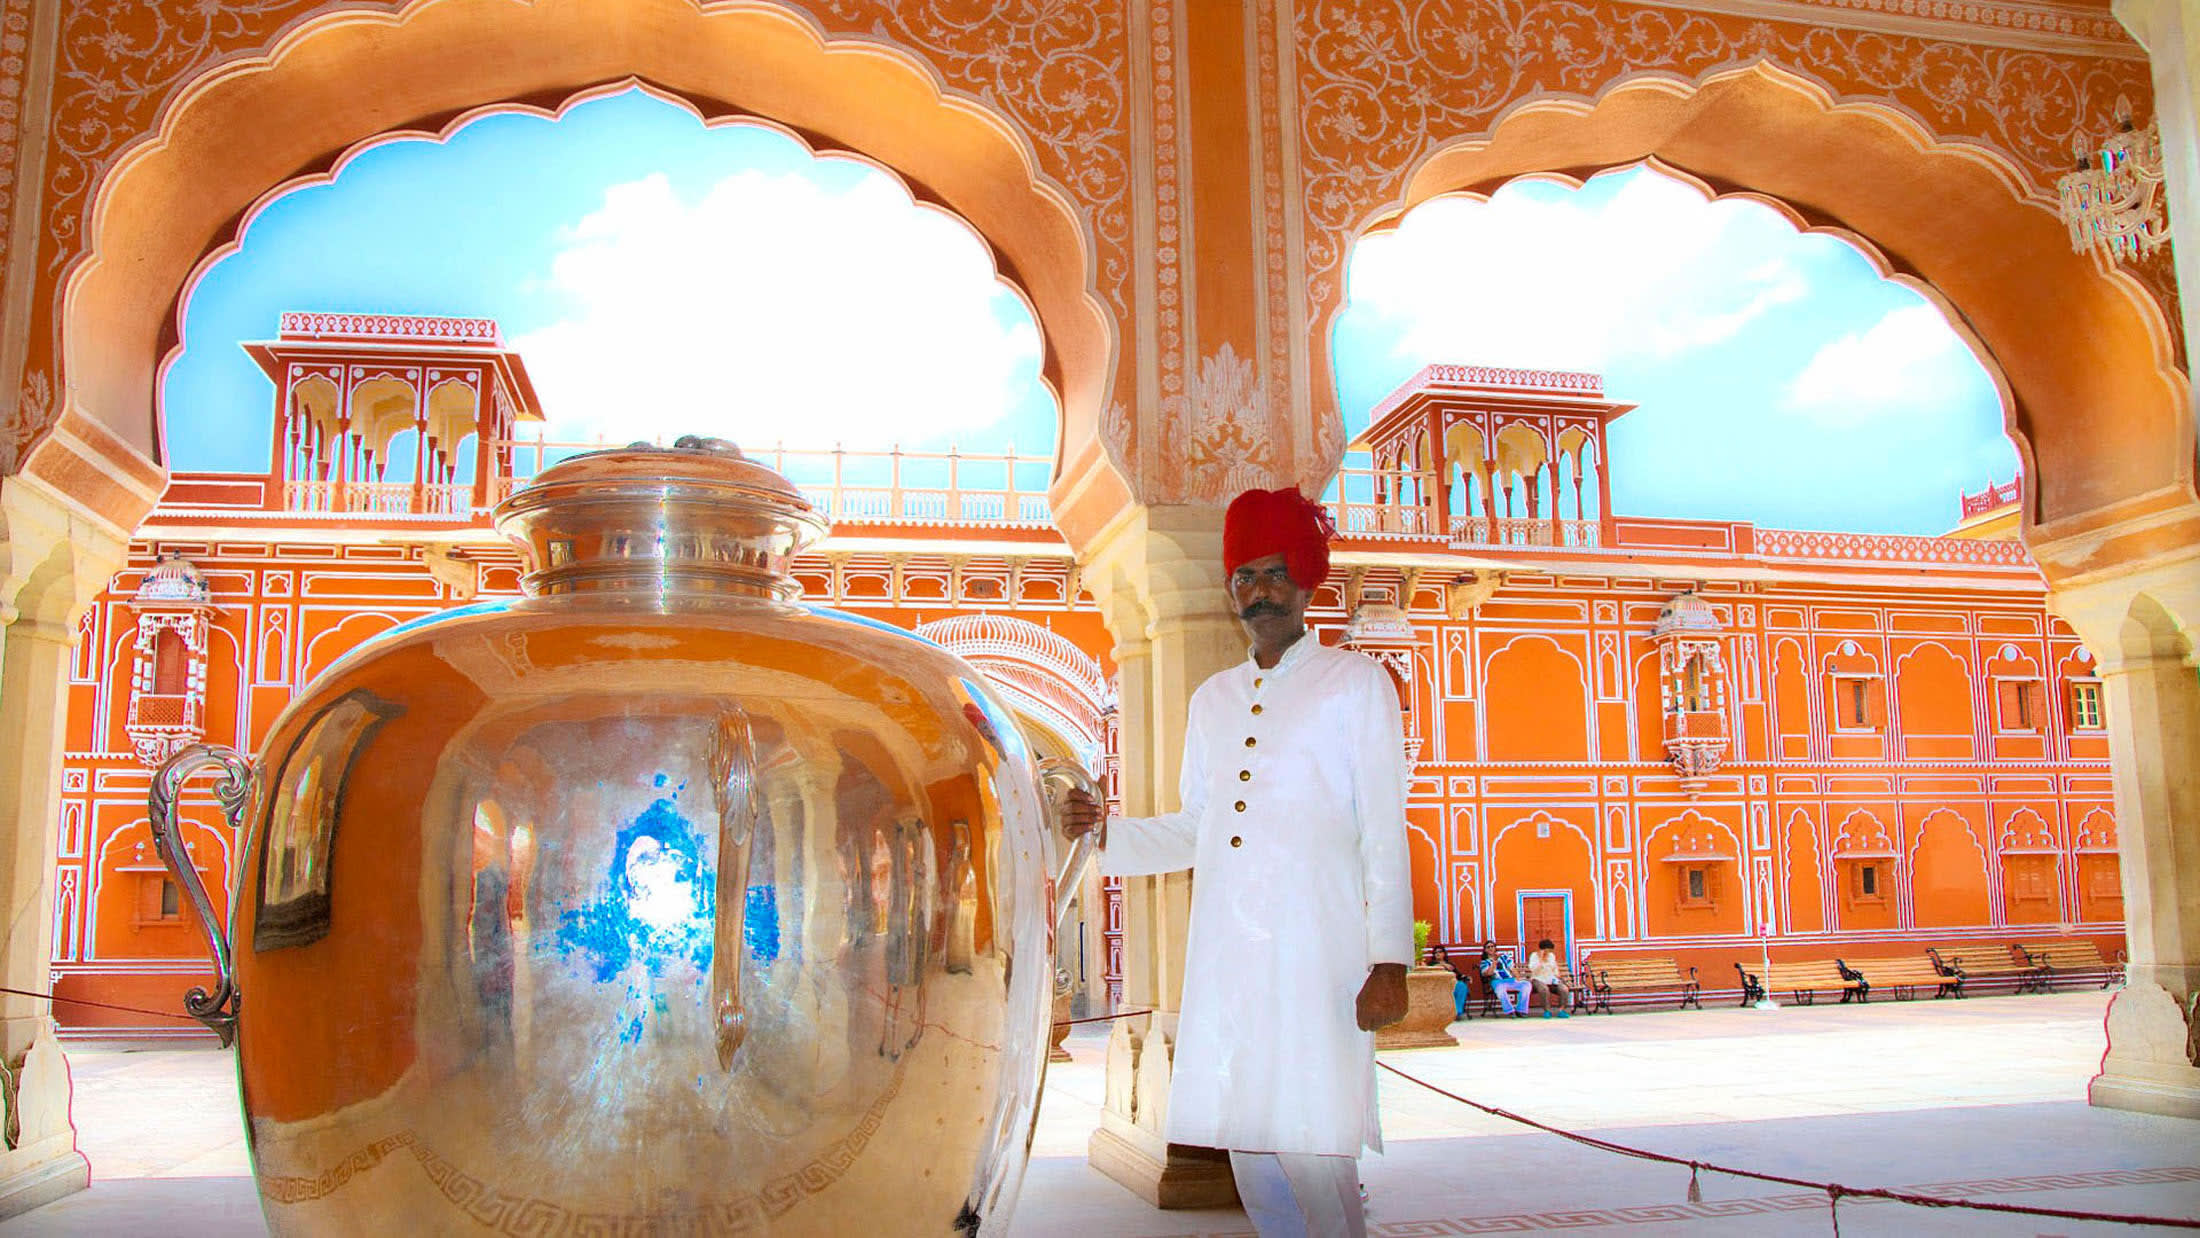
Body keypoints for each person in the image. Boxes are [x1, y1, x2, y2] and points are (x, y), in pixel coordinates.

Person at [1059, 485, 1411, 1238]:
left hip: (1319, 957)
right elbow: (1196, 829)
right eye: (1244, 577)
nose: (1258, 591)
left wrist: (1388, 960)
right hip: (1228, 959)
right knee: (1249, 1147)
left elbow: (1383, 829)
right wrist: (1103, 834)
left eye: (1273, 572)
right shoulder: (1213, 700)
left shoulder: (1356, 684)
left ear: (1307, 575)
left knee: (1316, 1149)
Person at [1478, 941, 1530, 1017]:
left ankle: (1521, 1010)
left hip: (1510, 980)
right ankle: (1510, 1011)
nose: (1491, 948)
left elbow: (1512, 968)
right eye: (1488, 947)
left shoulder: (1504, 957)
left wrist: (1518, 978)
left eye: (1492, 946)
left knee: (1526, 985)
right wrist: (1494, 963)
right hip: (1497, 981)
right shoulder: (1484, 962)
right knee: (1500, 989)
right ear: (1485, 950)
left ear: (1495, 948)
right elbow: (1488, 973)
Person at [1525, 937, 1573, 1018]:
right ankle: (1547, 1011)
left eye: (1550, 951)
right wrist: (1541, 959)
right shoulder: (1534, 956)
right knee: (1544, 989)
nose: (1548, 953)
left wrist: (1557, 976)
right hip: (1538, 979)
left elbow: (1554, 968)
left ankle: (1562, 1010)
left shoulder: (1551, 956)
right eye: (1547, 951)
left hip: (1551, 979)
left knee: (1564, 989)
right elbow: (1533, 969)